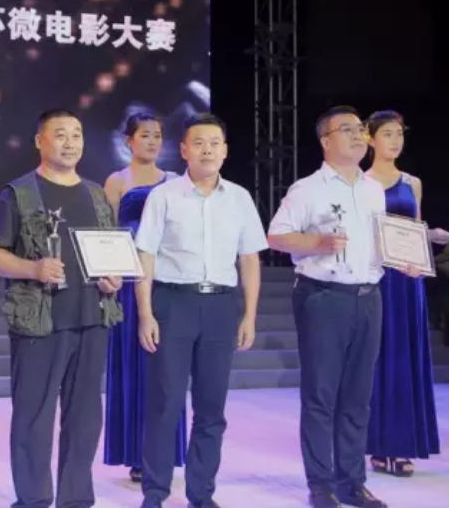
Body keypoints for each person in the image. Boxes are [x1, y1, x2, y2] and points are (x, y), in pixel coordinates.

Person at [267, 105, 421, 508]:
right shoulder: (307, 189)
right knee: (321, 396)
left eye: (360, 129)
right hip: (323, 297)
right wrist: (316, 243)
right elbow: (276, 236)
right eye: (347, 129)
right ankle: (321, 486)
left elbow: (377, 242)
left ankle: (352, 482)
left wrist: (405, 259)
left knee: (357, 396)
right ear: (326, 141)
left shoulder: (372, 189)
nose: (357, 135)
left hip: (369, 297)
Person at [0, 108, 122, 508]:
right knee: (33, 419)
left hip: (92, 319)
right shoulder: (19, 193)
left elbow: (109, 250)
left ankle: (75, 499)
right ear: (39, 141)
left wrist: (114, 277)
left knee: (85, 419)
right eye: (60, 134)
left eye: (76, 134)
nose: (70, 142)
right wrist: (33, 268)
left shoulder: (96, 194)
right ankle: (33, 499)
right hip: (39, 322)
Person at [135, 114, 266, 508]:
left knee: (211, 408)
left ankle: (201, 493)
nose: (207, 150)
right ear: (184, 150)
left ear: (225, 150)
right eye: (199, 143)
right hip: (173, 303)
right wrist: (145, 314)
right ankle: (155, 492)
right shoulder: (164, 196)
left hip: (221, 307)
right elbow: (145, 256)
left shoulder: (240, 198)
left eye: (215, 143)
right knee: (165, 403)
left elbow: (250, 259)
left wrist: (249, 315)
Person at [364, 110, 449, 477]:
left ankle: (402, 444)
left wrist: (426, 245)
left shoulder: (412, 183)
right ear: (369, 138)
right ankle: (377, 444)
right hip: (376, 277)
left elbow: (413, 228)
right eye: (387, 133)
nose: (395, 140)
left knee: (405, 357)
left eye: (399, 133)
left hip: (408, 279)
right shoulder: (361, 183)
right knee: (378, 358)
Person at [103, 111, 186, 484]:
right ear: (129, 140)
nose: (152, 141)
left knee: (165, 368)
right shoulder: (116, 181)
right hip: (126, 282)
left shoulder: (175, 183)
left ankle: (163, 450)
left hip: (166, 280)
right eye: (145, 135)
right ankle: (136, 452)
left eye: (157, 135)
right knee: (132, 367)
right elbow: (105, 233)